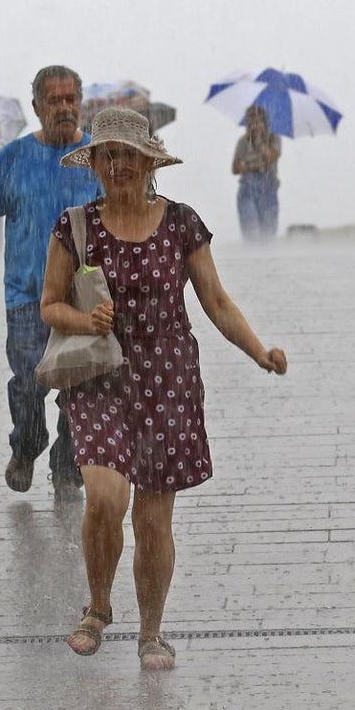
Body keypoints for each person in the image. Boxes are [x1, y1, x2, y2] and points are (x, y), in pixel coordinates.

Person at [39, 107, 287, 671]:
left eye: (128, 154)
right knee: (105, 497)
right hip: (100, 377)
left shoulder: (181, 223)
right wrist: (85, 322)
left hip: (168, 383)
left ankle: (152, 632)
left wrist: (259, 351)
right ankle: (98, 607)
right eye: (108, 155)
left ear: (149, 160)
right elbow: (50, 303)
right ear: (95, 162)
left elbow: (217, 302)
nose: (118, 164)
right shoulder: (74, 225)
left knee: (153, 520)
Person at [0, 65, 100, 500]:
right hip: (27, 296)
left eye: (70, 99)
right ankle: (28, 444)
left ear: (81, 103)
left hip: (82, 297)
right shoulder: (13, 157)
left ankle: (67, 460)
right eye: (53, 100)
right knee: (28, 381)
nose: (63, 108)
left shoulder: (98, 157)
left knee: (82, 385)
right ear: (37, 107)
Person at [232, 104, 282, 241]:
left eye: (257, 120)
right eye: (250, 120)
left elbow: (271, 157)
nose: (253, 124)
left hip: (269, 189)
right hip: (248, 190)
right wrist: (255, 165)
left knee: (268, 234)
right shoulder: (243, 142)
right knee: (251, 233)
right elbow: (236, 168)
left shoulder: (274, 138)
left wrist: (259, 141)